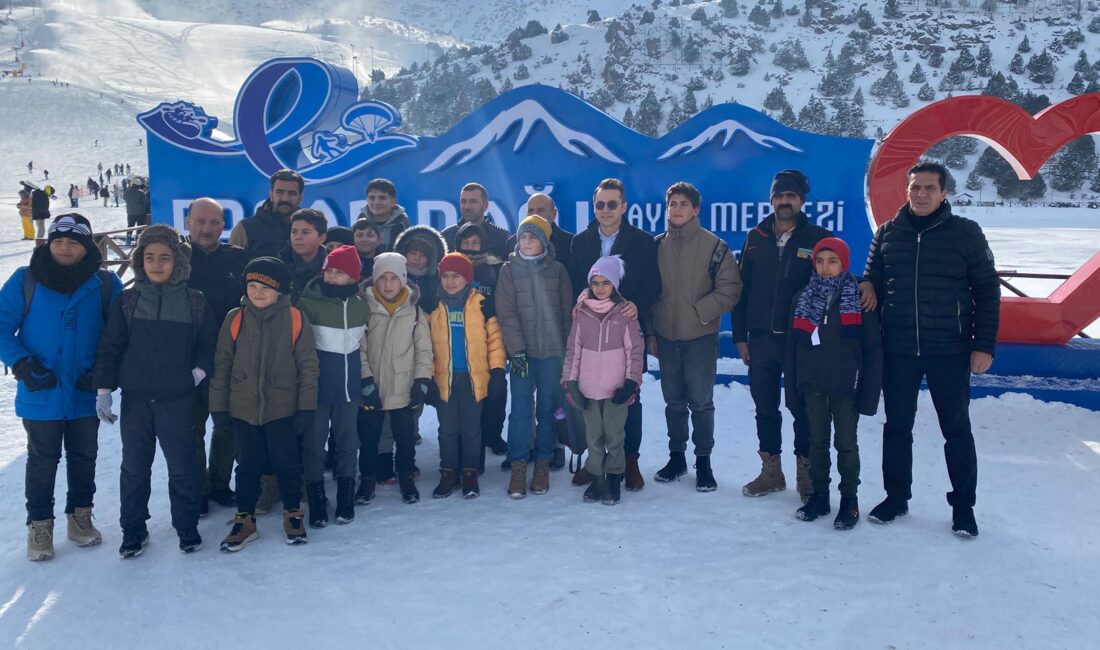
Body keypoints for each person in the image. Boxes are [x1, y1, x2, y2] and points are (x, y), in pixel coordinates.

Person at [859, 161, 1000, 538]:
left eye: (929, 188)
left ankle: (963, 507)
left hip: (949, 350)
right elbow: (871, 275)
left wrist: (983, 345)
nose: (921, 194)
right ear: (906, 190)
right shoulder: (888, 233)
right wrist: (867, 284)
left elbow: (987, 290)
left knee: (956, 430)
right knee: (897, 427)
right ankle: (896, 497)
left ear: (944, 193)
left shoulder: (966, 234)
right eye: (915, 187)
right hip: (900, 349)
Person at [0, 214, 122, 561]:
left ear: (87, 246)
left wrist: (102, 372)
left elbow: (116, 334)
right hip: (42, 391)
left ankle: (80, 515)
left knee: (84, 456)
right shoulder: (26, 280)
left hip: (86, 390)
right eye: (58, 241)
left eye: (73, 242)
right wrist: (22, 364)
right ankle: (40, 524)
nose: (65, 248)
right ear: (48, 243)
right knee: (42, 459)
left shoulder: (105, 284)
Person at [93, 225, 218, 558]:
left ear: (177, 261)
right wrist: (104, 390)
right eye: (150, 258)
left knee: (183, 466)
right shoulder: (128, 300)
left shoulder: (195, 301)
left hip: (178, 401)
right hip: (136, 401)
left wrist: (195, 374)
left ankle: (187, 527)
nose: (157, 264)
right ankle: (133, 530)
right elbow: (111, 347)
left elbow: (209, 345)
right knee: (134, 468)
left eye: (165, 257)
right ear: (140, 262)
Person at [734, 169, 830, 503]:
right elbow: (740, 289)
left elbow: (831, 283)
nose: (784, 202)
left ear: (801, 201)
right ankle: (771, 470)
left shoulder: (818, 238)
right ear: (771, 200)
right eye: (779, 196)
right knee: (765, 406)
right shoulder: (756, 236)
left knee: (801, 406)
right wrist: (740, 335)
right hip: (761, 339)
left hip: (800, 341)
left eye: (790, 196)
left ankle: (805, 472)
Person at [210, 257, 319, 551]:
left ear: (281, 291)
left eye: (266, 288)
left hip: (282, 409)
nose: (258, 292)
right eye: (253, 285)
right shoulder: (236, 318)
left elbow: (308, 365)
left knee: (287, 464)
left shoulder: (295, 318)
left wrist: (306, 407)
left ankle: (293, 513)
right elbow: (222, 365)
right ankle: (244, 518)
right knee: (247, 466)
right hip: (243, 410)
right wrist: (218, 407)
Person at [567, 178, 660, 490]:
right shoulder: (579, 243)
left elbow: (654, 285)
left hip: (626, 333)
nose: (605, 210)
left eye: (611, 204)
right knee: (592, 400)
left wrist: (638, 305)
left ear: (624, 206)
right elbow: (574, 285)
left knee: (629, 397)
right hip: (593, 336)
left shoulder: (644, 242)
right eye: (599, 204)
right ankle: (596, 463)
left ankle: (628, 461)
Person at [785, 237, 882, 529]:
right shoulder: (803, 297)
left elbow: (873, 350)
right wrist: (792, 389)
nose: (826, 268)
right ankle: (820, 496)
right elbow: (792, 348)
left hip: (845, 385)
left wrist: (869, 396)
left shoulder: (859, 297)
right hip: (812, 382)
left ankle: (849, 500)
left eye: (832, 261)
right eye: (820, 261)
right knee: (816, 443)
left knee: (846, 444)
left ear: (844, 263)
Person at [651, 182, 742, 491]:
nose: (676, 209)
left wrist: (699, 312)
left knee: (701, 403)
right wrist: (653, 329)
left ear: (696, 209)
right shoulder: (656, 245)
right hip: (666, 337)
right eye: (672, 203)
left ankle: (703, 461)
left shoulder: (715, 246)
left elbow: (730, 289)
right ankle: (677, 457)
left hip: (700, 337)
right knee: (673, 402)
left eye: (683, 204)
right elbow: (646, 292)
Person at [496, 215, 573, 498]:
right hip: (522, 356)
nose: (526, 242)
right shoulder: (508, 270)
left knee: (548, 410)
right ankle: (518, 464)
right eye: (523, 237)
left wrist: (566, 352)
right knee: (520, 411)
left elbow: (566, 315)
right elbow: (506, 313)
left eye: (533, 237)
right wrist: (516, 351)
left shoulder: (558, 271)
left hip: (552, 355)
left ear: (544, 240)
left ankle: (542, 461)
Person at [562, 255, 644, 505]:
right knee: (594, 437)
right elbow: (573, 351)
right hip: (588, 389)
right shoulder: (582, 313)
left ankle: (615, 477)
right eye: (595, 282)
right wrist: (570, 382)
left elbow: (635, 351)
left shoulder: (625, 314)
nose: (599, 288)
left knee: (614, 436)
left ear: (615, 285)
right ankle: (597, 478)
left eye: (605, 283)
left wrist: (631, 382)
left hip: (616, 389)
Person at [297, 245, 369, 527]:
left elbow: (364, 346)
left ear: (352, 278)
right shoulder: (308, 304)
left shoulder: (361, 307)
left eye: (339, 273)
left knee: (347, 440)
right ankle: (315, 495)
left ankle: (346, 493)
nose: (331, 277)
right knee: (314, 443)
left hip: (348, 389)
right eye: (328, 271)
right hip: (316, 388)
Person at [425, 252, 506, 499]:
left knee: (472, 429)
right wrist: (426, 377)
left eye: (456, 276)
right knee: (447, 429)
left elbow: (494, 341)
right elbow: (424, 346)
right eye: (445, 276)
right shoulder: (433, 307)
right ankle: (448, 470)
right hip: (444, 379)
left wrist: (498, 372)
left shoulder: (482, 304)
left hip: (475, 379)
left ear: (468, 279)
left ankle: (470, 471)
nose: (450, 282)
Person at [184, 198, 248, 511]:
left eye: (213, 222)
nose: (207, 228)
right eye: (200, 221)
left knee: (228, 426)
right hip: (188, 360)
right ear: (187, 222)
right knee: (192, 427)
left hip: (230, 359)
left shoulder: (238, 259)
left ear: (223, 226)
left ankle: (221, 484)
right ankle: (199, 489)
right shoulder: (176, 259)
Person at [358, 252, 433, 505]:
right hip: (373, 387)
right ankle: (367, 479)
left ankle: (406, 475)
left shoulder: (413, 312)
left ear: (403, 280)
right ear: (374, 281)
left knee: (405, 435)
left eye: (393, 278)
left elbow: (423, 349)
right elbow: (359, 348)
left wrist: (422, 379)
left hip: (404, 385)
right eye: (382, 278)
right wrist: (365, 380)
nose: (388, 284)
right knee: (369, 437)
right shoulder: (365, 308)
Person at [455, 222, 508, 464]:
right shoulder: (450, 269)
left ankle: (493, 435)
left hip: (491, 337)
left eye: (475, 243)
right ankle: (465, 440)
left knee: (495, 390)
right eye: (465, 243)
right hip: (460, 339)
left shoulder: (495, 269)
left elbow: (506, 300)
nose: (470, 247)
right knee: (467, 392)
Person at [228, 169, 304, 260]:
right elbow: (231, 268)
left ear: (300, 198)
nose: (285, 199)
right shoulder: (245, 229)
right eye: (279, 192)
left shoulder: (312, 228)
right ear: (271, 195)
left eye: (292, 193)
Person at [504, 192, 575, 272]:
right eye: (531, 211)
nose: (535, 214)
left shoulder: (570, 242)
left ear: (554, 214)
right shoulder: (512, 242)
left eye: (540, 210)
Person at [441, 183, 510, 258]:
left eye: (473, 201)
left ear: (485, 205)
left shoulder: (502, 238)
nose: (467, 207)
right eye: (463, 201)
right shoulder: (446, 236)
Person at [277, 208, 328, 304]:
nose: (298, 237)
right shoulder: (279, 266)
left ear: (322, 238)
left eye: (305, 232)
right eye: (294, 232)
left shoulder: (332, 267)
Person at [356, 178, 410, 250]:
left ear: (393, 201)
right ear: (367, 200)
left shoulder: (402, 226)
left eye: (382, 198)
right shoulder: (359, 222)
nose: (376, 202)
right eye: (372, 198)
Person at [122, 178, 149, 246]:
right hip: (140, 212)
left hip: (130, 212)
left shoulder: (126, 192)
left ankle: (128, 239)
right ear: (137, 185)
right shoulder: (141, 192)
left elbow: (125, 199)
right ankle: (138, 240)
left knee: (130, 226)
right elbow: (146, 202)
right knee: (140, 226)